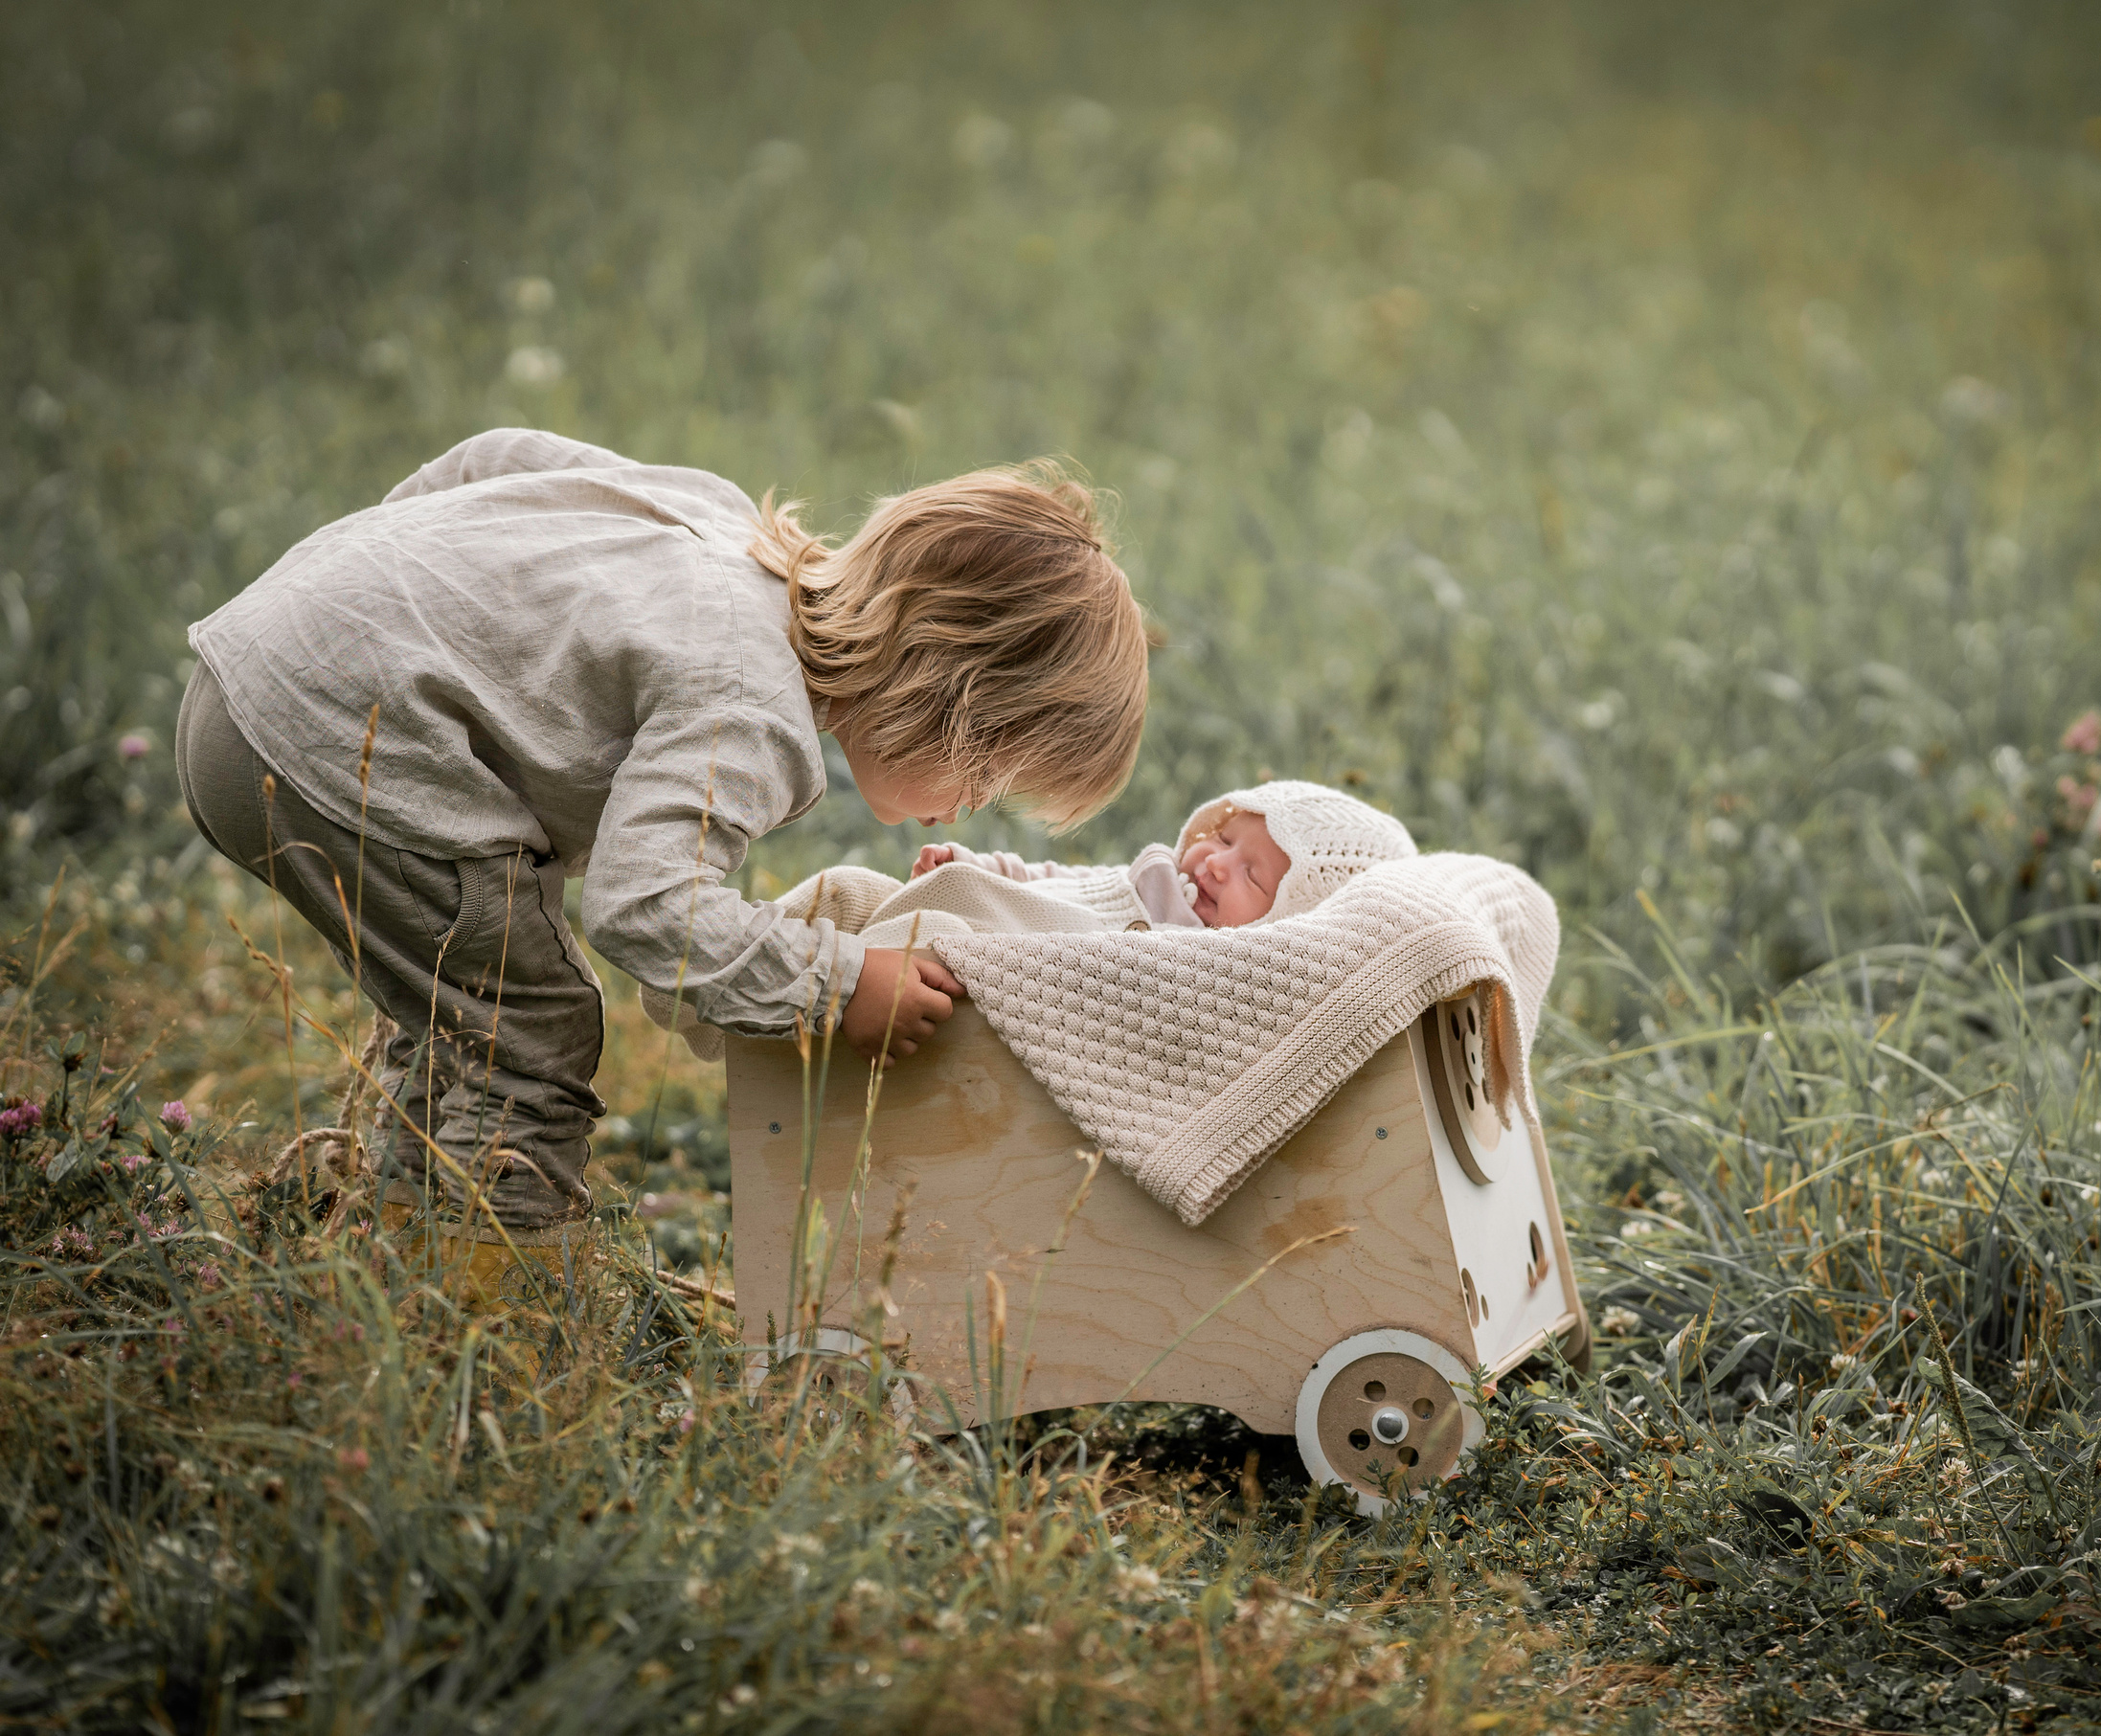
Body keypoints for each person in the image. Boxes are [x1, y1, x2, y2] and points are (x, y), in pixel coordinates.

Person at [175, 428, 1147, 1230]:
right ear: (941, 695)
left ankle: (395, 1214)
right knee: (528, 1029)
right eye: (986, 772)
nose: (968, 807)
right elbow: (648, 910)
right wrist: (842, 981)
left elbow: (495, 462)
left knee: (469, 996)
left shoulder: (714, 519)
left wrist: (386, 593)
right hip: (329, 744)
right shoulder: (749, 702)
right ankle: (484, 1304)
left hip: (249, 669)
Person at [910, 778, 1418, 928]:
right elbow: (1058, 877)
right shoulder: (1156, 879)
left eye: (1253, 878)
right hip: (992, 902)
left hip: (995, 953)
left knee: (925, 934)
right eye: (1222, 839)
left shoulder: (1203, 961)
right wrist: (976, 866)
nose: (1217, 864)